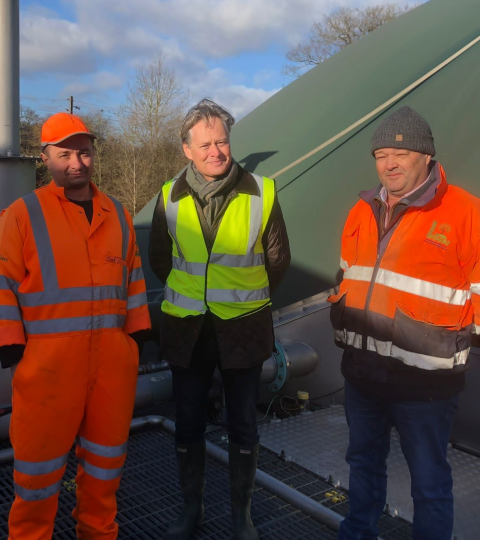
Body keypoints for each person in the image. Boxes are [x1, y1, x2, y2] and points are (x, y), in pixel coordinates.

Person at [330, 106, 480, 540]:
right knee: (361, 464)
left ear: (427, 157)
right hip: (362, 373)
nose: (390, 164)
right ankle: (357, 533)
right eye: (381, 154)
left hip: (424, 387)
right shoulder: (361, 210)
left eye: (401, 153)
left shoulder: (467, 214)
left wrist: (447, 334)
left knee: (429, 483)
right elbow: (347, 274)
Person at [0, 112, 150, 540]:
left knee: (106, 468)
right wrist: (12, 349)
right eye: (65, 153)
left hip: (112, 366)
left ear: (94, 155)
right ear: (45, 158)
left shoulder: (118, 214)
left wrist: (138, 336)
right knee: (37, 476)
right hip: (47, 368)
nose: (77, 162)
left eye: (84, 152)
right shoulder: (23, 214)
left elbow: (134, 279)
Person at [149, 98, 291, 540]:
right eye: (205, 144)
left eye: (223, 141)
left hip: (243, 328)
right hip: (188, 328)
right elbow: (159, 258)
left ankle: (241, 518)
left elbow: (278, 260)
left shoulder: (262, 192)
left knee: (243, 423)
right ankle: (192, 513)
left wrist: (237, 295)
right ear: (187, 150)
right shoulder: (168, 196)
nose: (216, 151)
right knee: (188, 422)